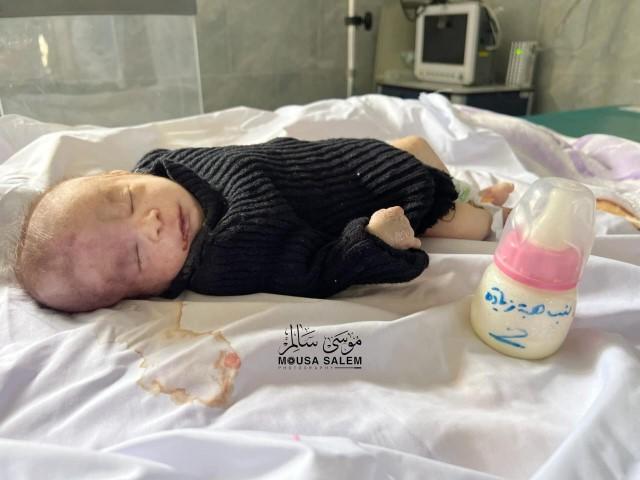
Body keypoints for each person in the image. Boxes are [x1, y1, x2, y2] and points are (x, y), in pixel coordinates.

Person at [14, 135, 513, 313]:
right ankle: (490, 206)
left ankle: (469, 188)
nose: (152, 224)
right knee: (467, 223)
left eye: (125, 199)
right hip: (381, 200)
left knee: (415, 148)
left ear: (118, 174)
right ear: (150, 291)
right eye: (137, 255)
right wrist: (373, 243)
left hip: (351, 159)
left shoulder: (160, 166)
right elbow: (316, 272)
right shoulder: (228, 255)